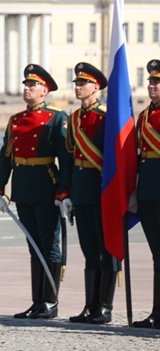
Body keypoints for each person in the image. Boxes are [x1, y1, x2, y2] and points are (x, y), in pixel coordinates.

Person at [0, 64, 69, 319]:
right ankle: (38, 301)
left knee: (50, 246)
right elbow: (6, 157)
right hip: (23, 188)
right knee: (33, 246)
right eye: (25, 84)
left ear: (44, 91)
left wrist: (63, 192)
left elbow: (65, 160)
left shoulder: (56, 118)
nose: (27, 88)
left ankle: (51, 301)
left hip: (46, 186)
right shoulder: (16, 120)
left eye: (32, 85)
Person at [60, 61, 118, 325]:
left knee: (107, 249)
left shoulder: (107, 117)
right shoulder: (74, 119)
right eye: (76, 83)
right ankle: (90, 306)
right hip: (82, 191)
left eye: (83, 83)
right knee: (89, 250)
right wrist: (66, 192)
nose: (78, 87)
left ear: (96, 87)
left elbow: (117, 159)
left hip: (103, 191)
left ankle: (104, 307)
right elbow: (70, 160)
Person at [132, 59, 160, 328]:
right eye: (150, 81)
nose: (152, 86)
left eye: (157, 82)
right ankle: (157, 312)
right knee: (157, 254)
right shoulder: (144, 117)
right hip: (148, 192)